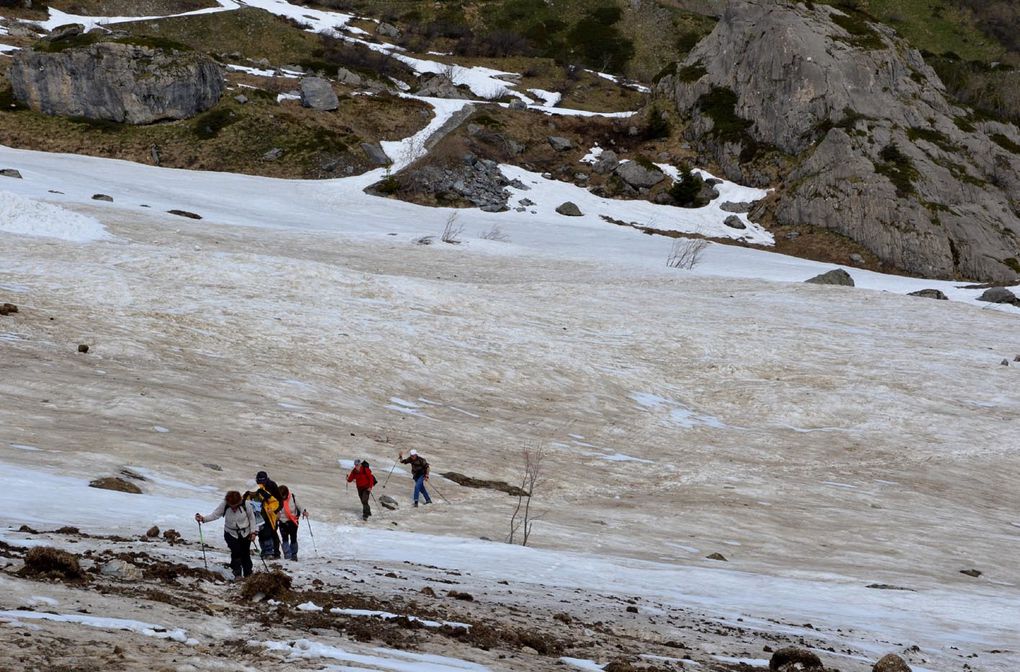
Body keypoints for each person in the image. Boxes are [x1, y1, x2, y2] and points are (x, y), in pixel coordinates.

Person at [195, 490, 257, 580]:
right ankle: (237, 574)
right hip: (230, 533)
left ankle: (248, 574)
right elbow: (215, 515)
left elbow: (252, 518)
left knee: (245, 554)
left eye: (235, 505)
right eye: (231, 506)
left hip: (245, 533)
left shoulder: (246, 504)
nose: (233, 508)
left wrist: (253, 532)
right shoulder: (224, 504)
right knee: (236, 552)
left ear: (239, 501)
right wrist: (203, 519)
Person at [248, 477, 281, 559]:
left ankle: (269, 552)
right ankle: (264, 552)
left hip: (266, 517)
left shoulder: (263, 493)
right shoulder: (246, 496)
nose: (253, 492)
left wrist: (271, 508)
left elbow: (275, 502)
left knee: (267, 535)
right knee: (261, 535)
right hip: (256, 519)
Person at [277, 485, 305, 561]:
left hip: (292, 521)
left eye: (284, 496)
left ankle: (294, 554)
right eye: (281, 496)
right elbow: (275, 509)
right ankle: (287, 555)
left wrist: (304, 512)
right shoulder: (277, 499)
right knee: (284, 539)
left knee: (293, 538)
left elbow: (300, 506)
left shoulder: (292, 497)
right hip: (282, 522)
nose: (282, 497)